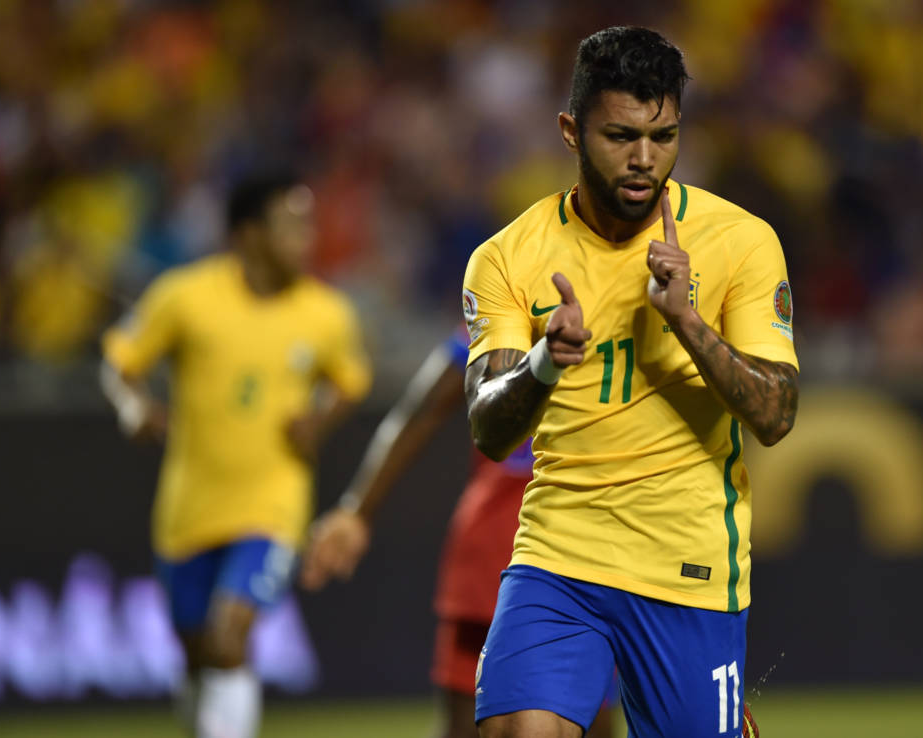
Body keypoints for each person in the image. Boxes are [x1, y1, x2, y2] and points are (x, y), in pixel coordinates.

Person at [461, 26, 797, 738]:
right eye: (620, 136)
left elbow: (775, 415)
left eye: (663, 135)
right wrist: (544, 363)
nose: (645, 159)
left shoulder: (740, 241)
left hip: (687, 563)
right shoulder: (506, 258)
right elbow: (488, 428)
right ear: (570, 131)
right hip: (559, 554)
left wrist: (687, 323)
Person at [100, 173, 372, 738]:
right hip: (190, 506)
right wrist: (133, 407)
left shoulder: (325, 314)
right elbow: (120, 363)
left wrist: (318, 421)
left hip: (272, 503)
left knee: (231, 636)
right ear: (248, 235)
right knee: (199, 651)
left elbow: (351, 381)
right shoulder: (184, 297)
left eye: (308, 225)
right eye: (291, 226)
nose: (307, 238)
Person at [300, 326, 616, 738]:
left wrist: (359, 510)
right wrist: (357, 510)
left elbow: (419, 411)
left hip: (567, 550)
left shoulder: (515, 311)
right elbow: (423, 409)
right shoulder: (504, 308)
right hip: (517, 551)